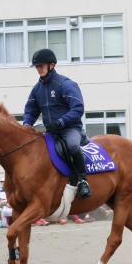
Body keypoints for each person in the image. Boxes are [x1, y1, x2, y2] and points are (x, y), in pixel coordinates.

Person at [23, 48, 91, 198]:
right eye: (37, 66)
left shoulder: (66, 84)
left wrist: (60, 122)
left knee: (72, 145)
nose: (38, 69)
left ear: (52, 65)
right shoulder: (37, 89)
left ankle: (82, 180)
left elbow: (78, 108)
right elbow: (30, 110)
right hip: (50, 131)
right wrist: (27, 124)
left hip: (69, 128)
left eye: (41, 66)